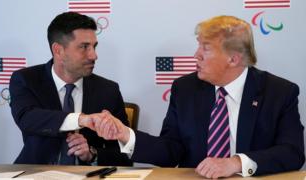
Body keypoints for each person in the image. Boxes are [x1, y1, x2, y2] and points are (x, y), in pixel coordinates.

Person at [88, 15, 305, 178]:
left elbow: (292, 153)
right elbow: (170, 151)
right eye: (198, 45)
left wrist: (236, 163)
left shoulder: (279, 92)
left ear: (233, 59)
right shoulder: (185, 89)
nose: (196, 55)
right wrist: (126, 134)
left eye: (206, 48)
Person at [9, 12, 131, 166]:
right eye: (84, 47)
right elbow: (28, 118)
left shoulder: (108, 90)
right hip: (35, 173)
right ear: (58, 50)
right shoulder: (26, 80)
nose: (94, 55)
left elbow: (125, 155)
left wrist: (92, 154)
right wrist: (81, 119)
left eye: (94, 46)